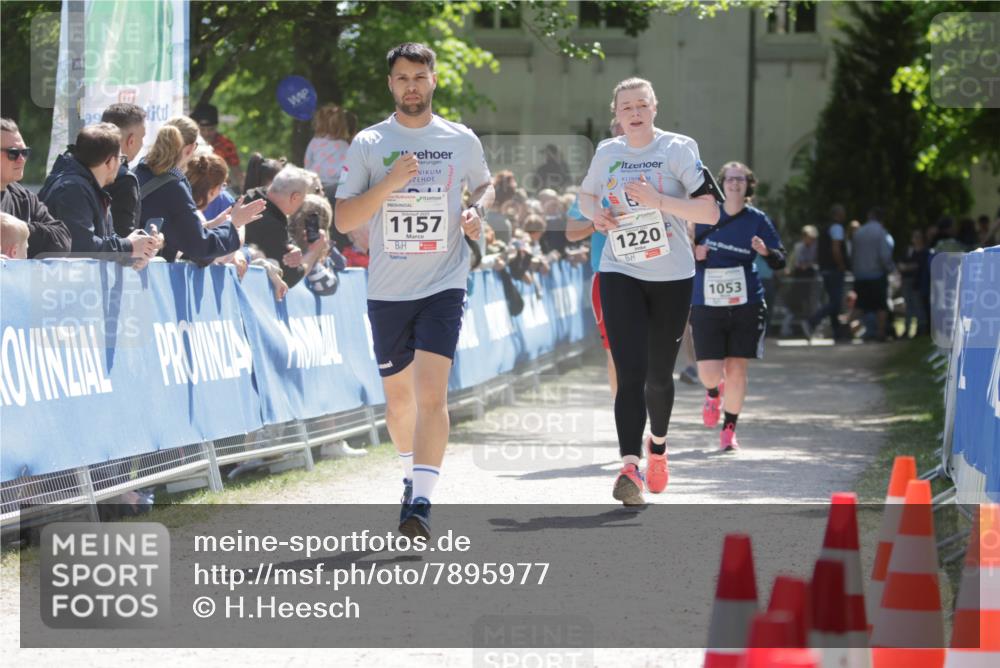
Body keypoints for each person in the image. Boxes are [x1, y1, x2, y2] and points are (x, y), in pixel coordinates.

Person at [335, 42, 494, 537]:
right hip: (388, 289)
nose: (411, 86)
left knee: (431, 393)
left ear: (433, 80)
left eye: (419, 77)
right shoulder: (369, 142)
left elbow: (484, 185)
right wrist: (389, 183)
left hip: (444, 281)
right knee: (399, 402)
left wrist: (476, 211)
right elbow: (344, 219)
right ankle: (410, 476)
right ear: (391, 84)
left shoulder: (460, 138)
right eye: (402, 78)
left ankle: (421, 502)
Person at [577, 77, 719, 505]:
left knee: (659, 376)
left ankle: (657, 446)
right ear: (617, 115)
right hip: (619, 269)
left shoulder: (678, 148)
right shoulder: (608, 152)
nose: (635, 113)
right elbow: (585, 197)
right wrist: (597, 215)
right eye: (626, 107)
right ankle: (629, 467)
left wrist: (659, 201)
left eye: (642, 104)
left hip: (672, 275)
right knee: (630, 373)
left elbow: (709, 210)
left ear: (655, 108)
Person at [690, 161, 785, 451]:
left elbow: (780, 260)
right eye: (730, 179)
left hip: (747, 301)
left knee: (736, 368)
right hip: (706, 301)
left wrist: (765, 251)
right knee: (709, 372)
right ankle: (712, 392)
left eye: (740, 179)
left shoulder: (757, 220)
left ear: (748, 186)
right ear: (721, 183)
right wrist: (695, 252)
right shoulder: (704, 214)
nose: (734, 183)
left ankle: (729, 430)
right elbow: (679, 250)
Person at [135, 116, 265, 264]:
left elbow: (177, 238)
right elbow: (200, 248)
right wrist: (233, 224)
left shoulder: (137, 173)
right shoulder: (174, 187)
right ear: (190, 149)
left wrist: (210, 225)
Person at [39, 123, 160, 261]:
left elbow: (105, 240)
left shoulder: (86, 188)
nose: (121, 165)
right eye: (121, 159)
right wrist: (129, 247)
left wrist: (137, 250)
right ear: (110, 162)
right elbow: (83, 247)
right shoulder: (73, 189)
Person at [0, 118, 71, 257]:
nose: (21, 159)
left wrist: (20, 229)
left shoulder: (24, 198)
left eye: (24, 152)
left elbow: (62, 241)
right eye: (13, 153)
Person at [243, 165, 311, 287]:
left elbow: (286, 240)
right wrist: (315, 251)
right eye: (303, 200)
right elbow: (290, 277)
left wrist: (295, 248)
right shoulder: (270, 224)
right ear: (295, 197)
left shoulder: (253, 195)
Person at [100, 103, 147, 236]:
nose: (142, 143)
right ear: (131, 141)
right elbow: (125, 239)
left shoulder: (76, 166)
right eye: (142, 138)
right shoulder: (125, 179)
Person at [851, 206, 895, 342]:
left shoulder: (858, 233)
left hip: (860, 275)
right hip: (877, 275)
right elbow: (884, 255)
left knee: (860, 305)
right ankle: (880, 333)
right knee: (881, 306)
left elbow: (853, 254)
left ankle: (845, 329)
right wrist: (891, 269)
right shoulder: (881, 232)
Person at [809, 203, 849, 340]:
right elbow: (836, 249)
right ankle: (813, 320)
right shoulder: (837, 228)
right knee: (836, 302)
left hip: (825, 269)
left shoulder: (825, 228)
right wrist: (841, 264)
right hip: (834, 269)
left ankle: (837, 333)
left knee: (833, 301)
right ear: (839, 214)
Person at [305, 104, 353, 203]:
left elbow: (307, 162)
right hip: (336, 187)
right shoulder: (344, 145)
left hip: (316, 185)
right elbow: (347, 169)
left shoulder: (315, 142)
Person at [190, 103, 243, 190]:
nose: (207, 133)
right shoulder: (190, 144)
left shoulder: (226, 144)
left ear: (216, 127)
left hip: (221, 188)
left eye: (211, 129)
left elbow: (237, 172)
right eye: (202, 129)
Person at [898, 228, 929, 338]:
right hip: (906, 281)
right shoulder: (909, 250)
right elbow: (902, 264)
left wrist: (908, 267)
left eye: (918, 236)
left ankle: (921, 328)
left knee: (918, 305)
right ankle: (907, 329)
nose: (915, 239)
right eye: (914, 236)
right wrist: (907, 267)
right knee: (908, 305)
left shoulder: (925, 252)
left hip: (917, 282)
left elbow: (918, 265)